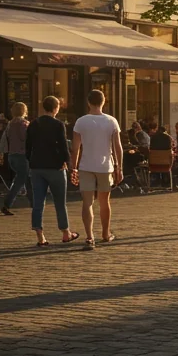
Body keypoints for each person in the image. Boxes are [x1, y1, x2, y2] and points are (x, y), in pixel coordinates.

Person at [71, 90, 122, 250]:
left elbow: (76, 147)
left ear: (88, 102)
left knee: (87, 202)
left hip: (86, 166)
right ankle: (105, 233)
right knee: (104, 201)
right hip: (105, 166)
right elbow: (118, 147)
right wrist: (119, 167)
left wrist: (74, 167)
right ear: (103, 101)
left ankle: (89, 236)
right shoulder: (111, 121)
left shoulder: (81, 122)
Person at [25, 96, 79, 247]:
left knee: (38, 202)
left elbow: (28, 146)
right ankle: (66, 232)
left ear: (43, 107)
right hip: (55, 167)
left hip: (37, 167)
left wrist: (31, 160)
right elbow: (63, 146)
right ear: (56, 108)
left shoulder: (34, 124)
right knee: (60, 202)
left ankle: (40, 235)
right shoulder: (58, 125)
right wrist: (67, 162)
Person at [0, 102, 31, 216]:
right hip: (22, 155)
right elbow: (26, 138)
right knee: (20, 180)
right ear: (24, 111)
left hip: (11, 155)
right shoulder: (24, 124)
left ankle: (34, 202)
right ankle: (7, 204)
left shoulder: (9, 124)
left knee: (26, 178)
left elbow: (5, 140)